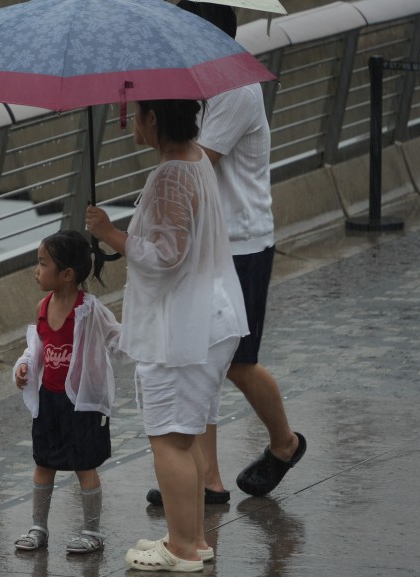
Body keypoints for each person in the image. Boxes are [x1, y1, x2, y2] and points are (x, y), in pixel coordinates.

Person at [141, 1, 306, 507]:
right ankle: (208, 481)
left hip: (243, 242)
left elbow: (193, 162)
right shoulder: (196, 85)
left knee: (237, 362)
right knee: (199, 357)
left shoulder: (235, 89)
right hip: (207, 243)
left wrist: (155, 123)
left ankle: (285, 443)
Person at [86, 97, 247, 572]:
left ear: (153, 118)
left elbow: (168, 254)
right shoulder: (195, 160)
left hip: (185, 325)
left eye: (137, 113)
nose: (133, 121)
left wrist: (109, 234)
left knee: (170, 438)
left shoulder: (174, 173)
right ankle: (192, 537)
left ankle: (180, 549)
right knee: (186, 434)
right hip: (209, 316)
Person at [11, 230, 121, 555]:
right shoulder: (42, 307)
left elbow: (115, 336)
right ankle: (38, 527)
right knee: (43, 461)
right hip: (50, 400)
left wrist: (150, 348)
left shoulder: (89, 310)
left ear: (67, 274)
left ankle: (92, 531)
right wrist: (24, 365)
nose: (37, 270)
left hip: (81, 403)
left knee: (84, 465)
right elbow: (37, 348)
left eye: (43, 264)